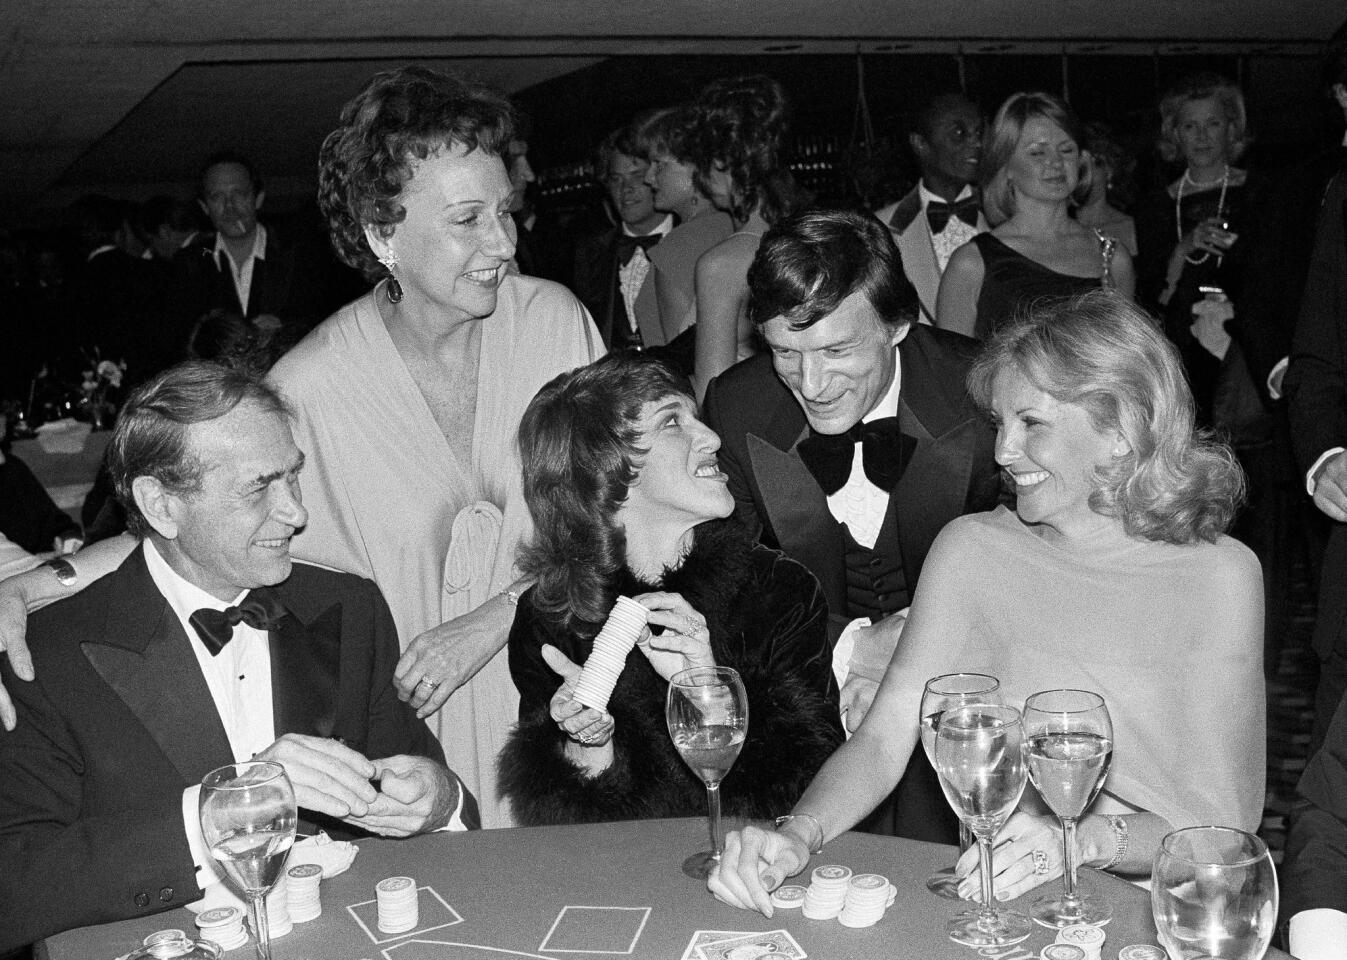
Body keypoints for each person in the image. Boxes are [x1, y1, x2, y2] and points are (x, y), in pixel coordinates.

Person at [0, 66, 604, 830]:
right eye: (468, 219)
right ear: (383, 233)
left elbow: (619, 513)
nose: (503, 242)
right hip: (411, 739)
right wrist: (36, 583)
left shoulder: (555, 325)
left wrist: (497, 618)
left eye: (506, 212)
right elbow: (193, 528)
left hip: (571, 694)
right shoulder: (311, 387)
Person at [708, 291, 1264, 916]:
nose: (1002, 451)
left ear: (1120, 431)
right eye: (1000, 423)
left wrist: (1078, 843)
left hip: (1158, 909)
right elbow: (885, 736)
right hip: (1003, 900)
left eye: (1032, 424)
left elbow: (1225, 827)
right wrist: (796, 836)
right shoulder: (971, 548)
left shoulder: (1218, 575)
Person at [0, 362, 470, 952]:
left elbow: (431, 790)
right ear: (161, 505)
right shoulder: (47, 653)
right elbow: (14, 889)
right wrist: (221, 813)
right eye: (258, 489)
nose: (296, 512)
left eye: (293, 478)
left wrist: (439, 800)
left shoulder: (348, 610)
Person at [702, 209, 1001, 844]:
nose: (811, 384)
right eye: (786, 351)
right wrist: (852, 647)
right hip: (806, 697)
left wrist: (919, 640)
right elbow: (729, 577)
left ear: (898, 324)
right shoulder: (738, 405)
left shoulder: (981, 393)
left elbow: (1037, 558)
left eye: (837, 349)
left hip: (968, 703)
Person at [498, 353, 842, 823]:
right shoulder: (554, 617)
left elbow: (815, 793)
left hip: (757, 869)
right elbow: (566, 833)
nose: (713, 437)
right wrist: (588, 744)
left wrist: (710, 693)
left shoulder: (778, 592)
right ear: (606, 467)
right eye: (673, 422)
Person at [936, 92, 1135, 340]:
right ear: (1006, 165)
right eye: (1037, 153)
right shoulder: (972, 264)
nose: (1055, 162)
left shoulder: (1112, 257)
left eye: (1066, 150)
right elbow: (948, 370)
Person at [1134, 73, 1258, 427]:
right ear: (1174, 134)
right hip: (1181, 342)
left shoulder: (1259, 192)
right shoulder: (1155, 205)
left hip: (1243, 340)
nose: (1202, 136)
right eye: (1190, 126)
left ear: (1232, 130)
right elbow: (1154, 293)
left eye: (1213, 123)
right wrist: (1184, 248)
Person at [688, 75, 806, 400]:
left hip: (757, 432)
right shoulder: (812, 232)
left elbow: (713, 396)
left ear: (721, 161)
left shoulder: (723, 264)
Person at [874, 92, 988, 324]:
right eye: (959, 133)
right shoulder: (881, 230)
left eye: (978, 133)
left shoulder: (1005, 217)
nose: (976, 143)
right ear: (920, 144)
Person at [637, 105, 735, 370]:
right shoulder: (737, 225)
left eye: (659, 165)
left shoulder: (680, 244)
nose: (648, 178)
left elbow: (687, 364)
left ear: (696, 168)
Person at [571, 124, 673, 352]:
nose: (625, 189)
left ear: (657, 177)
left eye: (636, 176)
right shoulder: (589, 252)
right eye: (616, 179)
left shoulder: (690, 243)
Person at [1075, 122, 1138, 257]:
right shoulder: (1055, 228)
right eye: (1078, 164)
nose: (1085, 174)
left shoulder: (1132, 228)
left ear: (1109, 170)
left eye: (1095, 163)